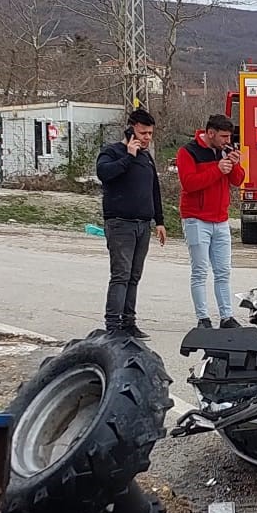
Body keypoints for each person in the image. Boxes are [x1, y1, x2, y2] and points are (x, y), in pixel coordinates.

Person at [96, 108, 167, 339]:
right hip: (120, 224)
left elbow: (153, 190)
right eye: (143, 132)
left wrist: (160, 221)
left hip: (142, 225)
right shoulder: (113, 152)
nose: (147, 137)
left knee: (134, 276)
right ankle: (113, 326)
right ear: (131, 128)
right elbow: (104, 174)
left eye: (150, 133)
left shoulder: (147, 157)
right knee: (121, 275)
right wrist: (128, 156)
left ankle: (129, 322)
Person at [176, 114, 245, 330]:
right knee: (200, 270)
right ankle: (203, 318)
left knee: (223, 271)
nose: (227, 140)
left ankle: (226, 316)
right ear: (210, 133)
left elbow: (238, 180)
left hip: (221, 219)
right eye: (223, 136)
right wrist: (217, 170)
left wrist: (234, 165)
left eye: (229, 136)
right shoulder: (187, 152)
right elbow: (189, 183)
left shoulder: (223, 151)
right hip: (196, 219)